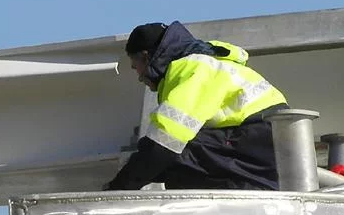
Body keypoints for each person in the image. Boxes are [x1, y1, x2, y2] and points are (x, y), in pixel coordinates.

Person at [104, 20, 288, 191]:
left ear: (146, 57)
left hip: (258, 145)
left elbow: (163, 144)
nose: (139, 77)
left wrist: (116, 190)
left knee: (171, 154)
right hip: (266, 146)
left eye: (135, 67)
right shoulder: (209, 62)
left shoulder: (191, 68)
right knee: (162, 157)